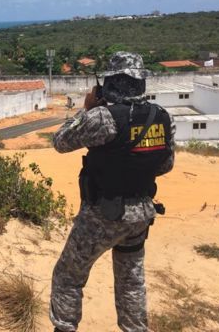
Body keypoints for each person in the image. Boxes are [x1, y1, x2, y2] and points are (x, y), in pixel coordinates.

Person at [49, 52, 175, 332]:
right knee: (131, 279)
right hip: (141, 213)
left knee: (68, 276)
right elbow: (165, 165)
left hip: (102, 215)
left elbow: (59, 141)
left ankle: (64, 328)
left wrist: (87, 109)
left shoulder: (104, 118)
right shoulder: (162, 117)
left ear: (111, 83)